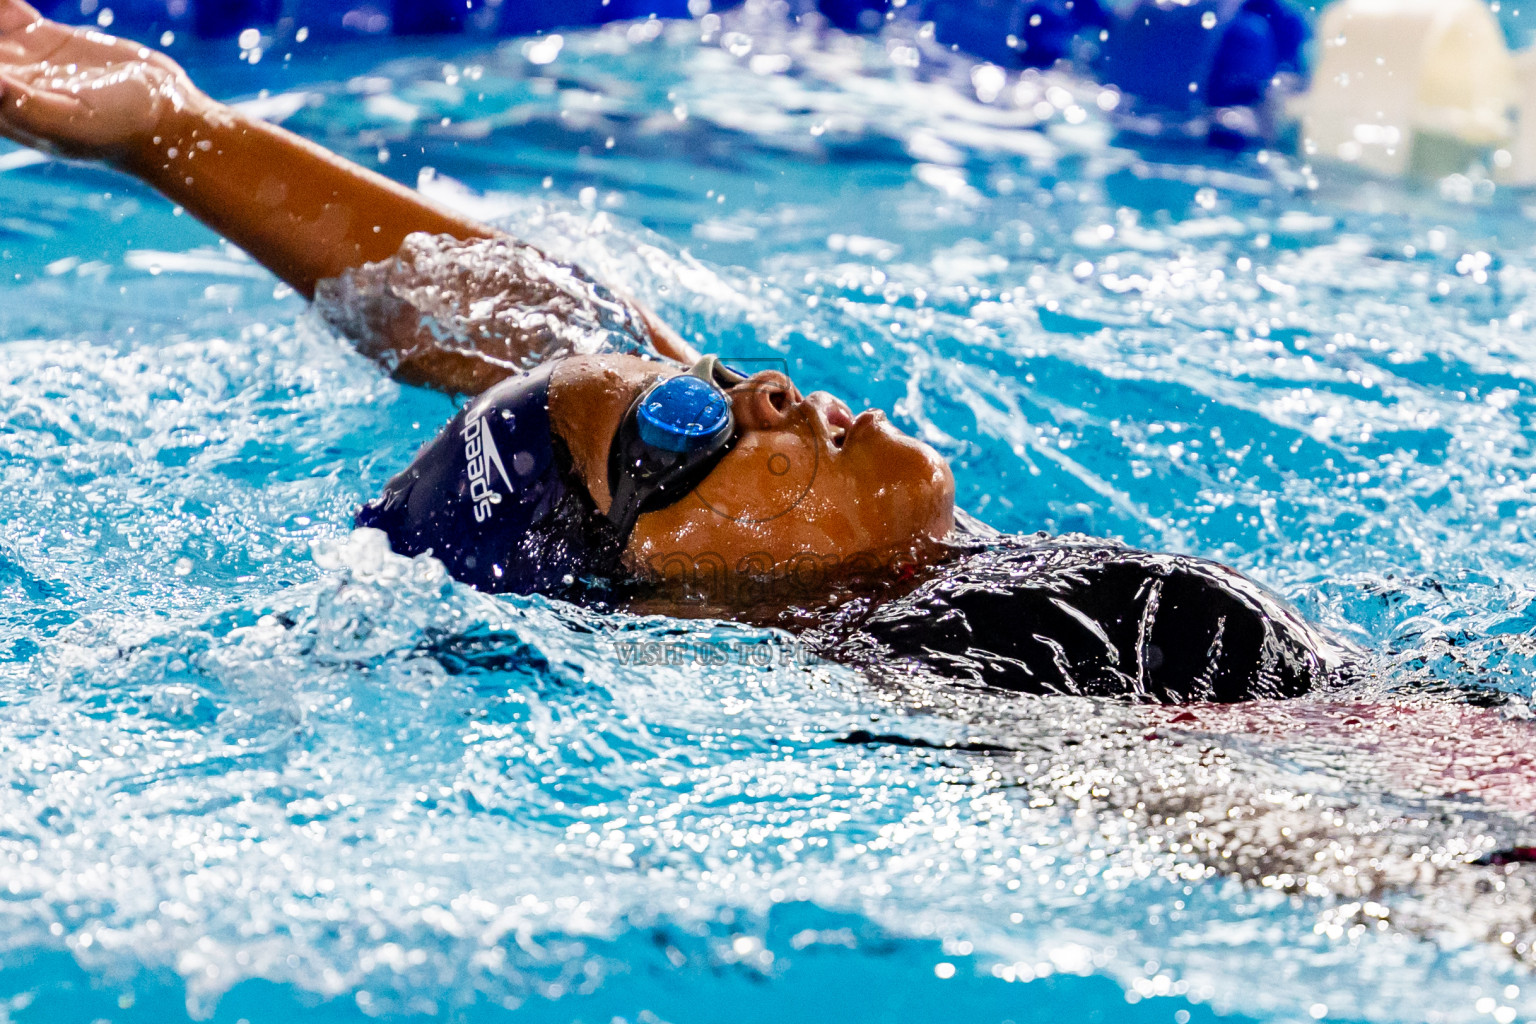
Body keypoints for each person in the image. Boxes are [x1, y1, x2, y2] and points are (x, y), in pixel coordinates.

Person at [0, 0, 1355, 701]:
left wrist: (173, 131)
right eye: (684, 432)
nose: (754, 387)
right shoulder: (972, 662)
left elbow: (521, 337)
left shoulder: (881, 571)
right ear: (648, 603)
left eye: (705, 382)